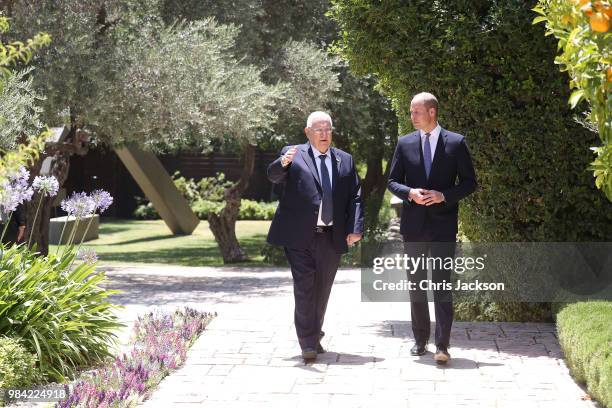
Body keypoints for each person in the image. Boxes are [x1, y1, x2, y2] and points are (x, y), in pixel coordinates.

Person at [267, 111, 364, 362]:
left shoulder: (344, 159)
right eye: (318, 129)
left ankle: (314, 334)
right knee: (305, 288)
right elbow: (273, 175)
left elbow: (355, 195)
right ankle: (307, 342)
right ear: (307, 132)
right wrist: (283, 163)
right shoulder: (294, 153)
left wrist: (355, 228)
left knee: (322, 289)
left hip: (331, 236)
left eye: (328, 129)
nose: (324, 134)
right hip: (299, 236)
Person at [388, 92, 477, 364]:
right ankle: (419, 341)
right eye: (411, 112)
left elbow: (470, 182)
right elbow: (392, 181)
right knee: (416, 285)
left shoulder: (456, 143)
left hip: (442, 227)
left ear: (432, 112)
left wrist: (444, 195)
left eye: (416, 112)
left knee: (441, 286)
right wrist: (409, 192)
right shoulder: (404, 143)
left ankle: (443, 346)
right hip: (413, 227)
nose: (411, 116)